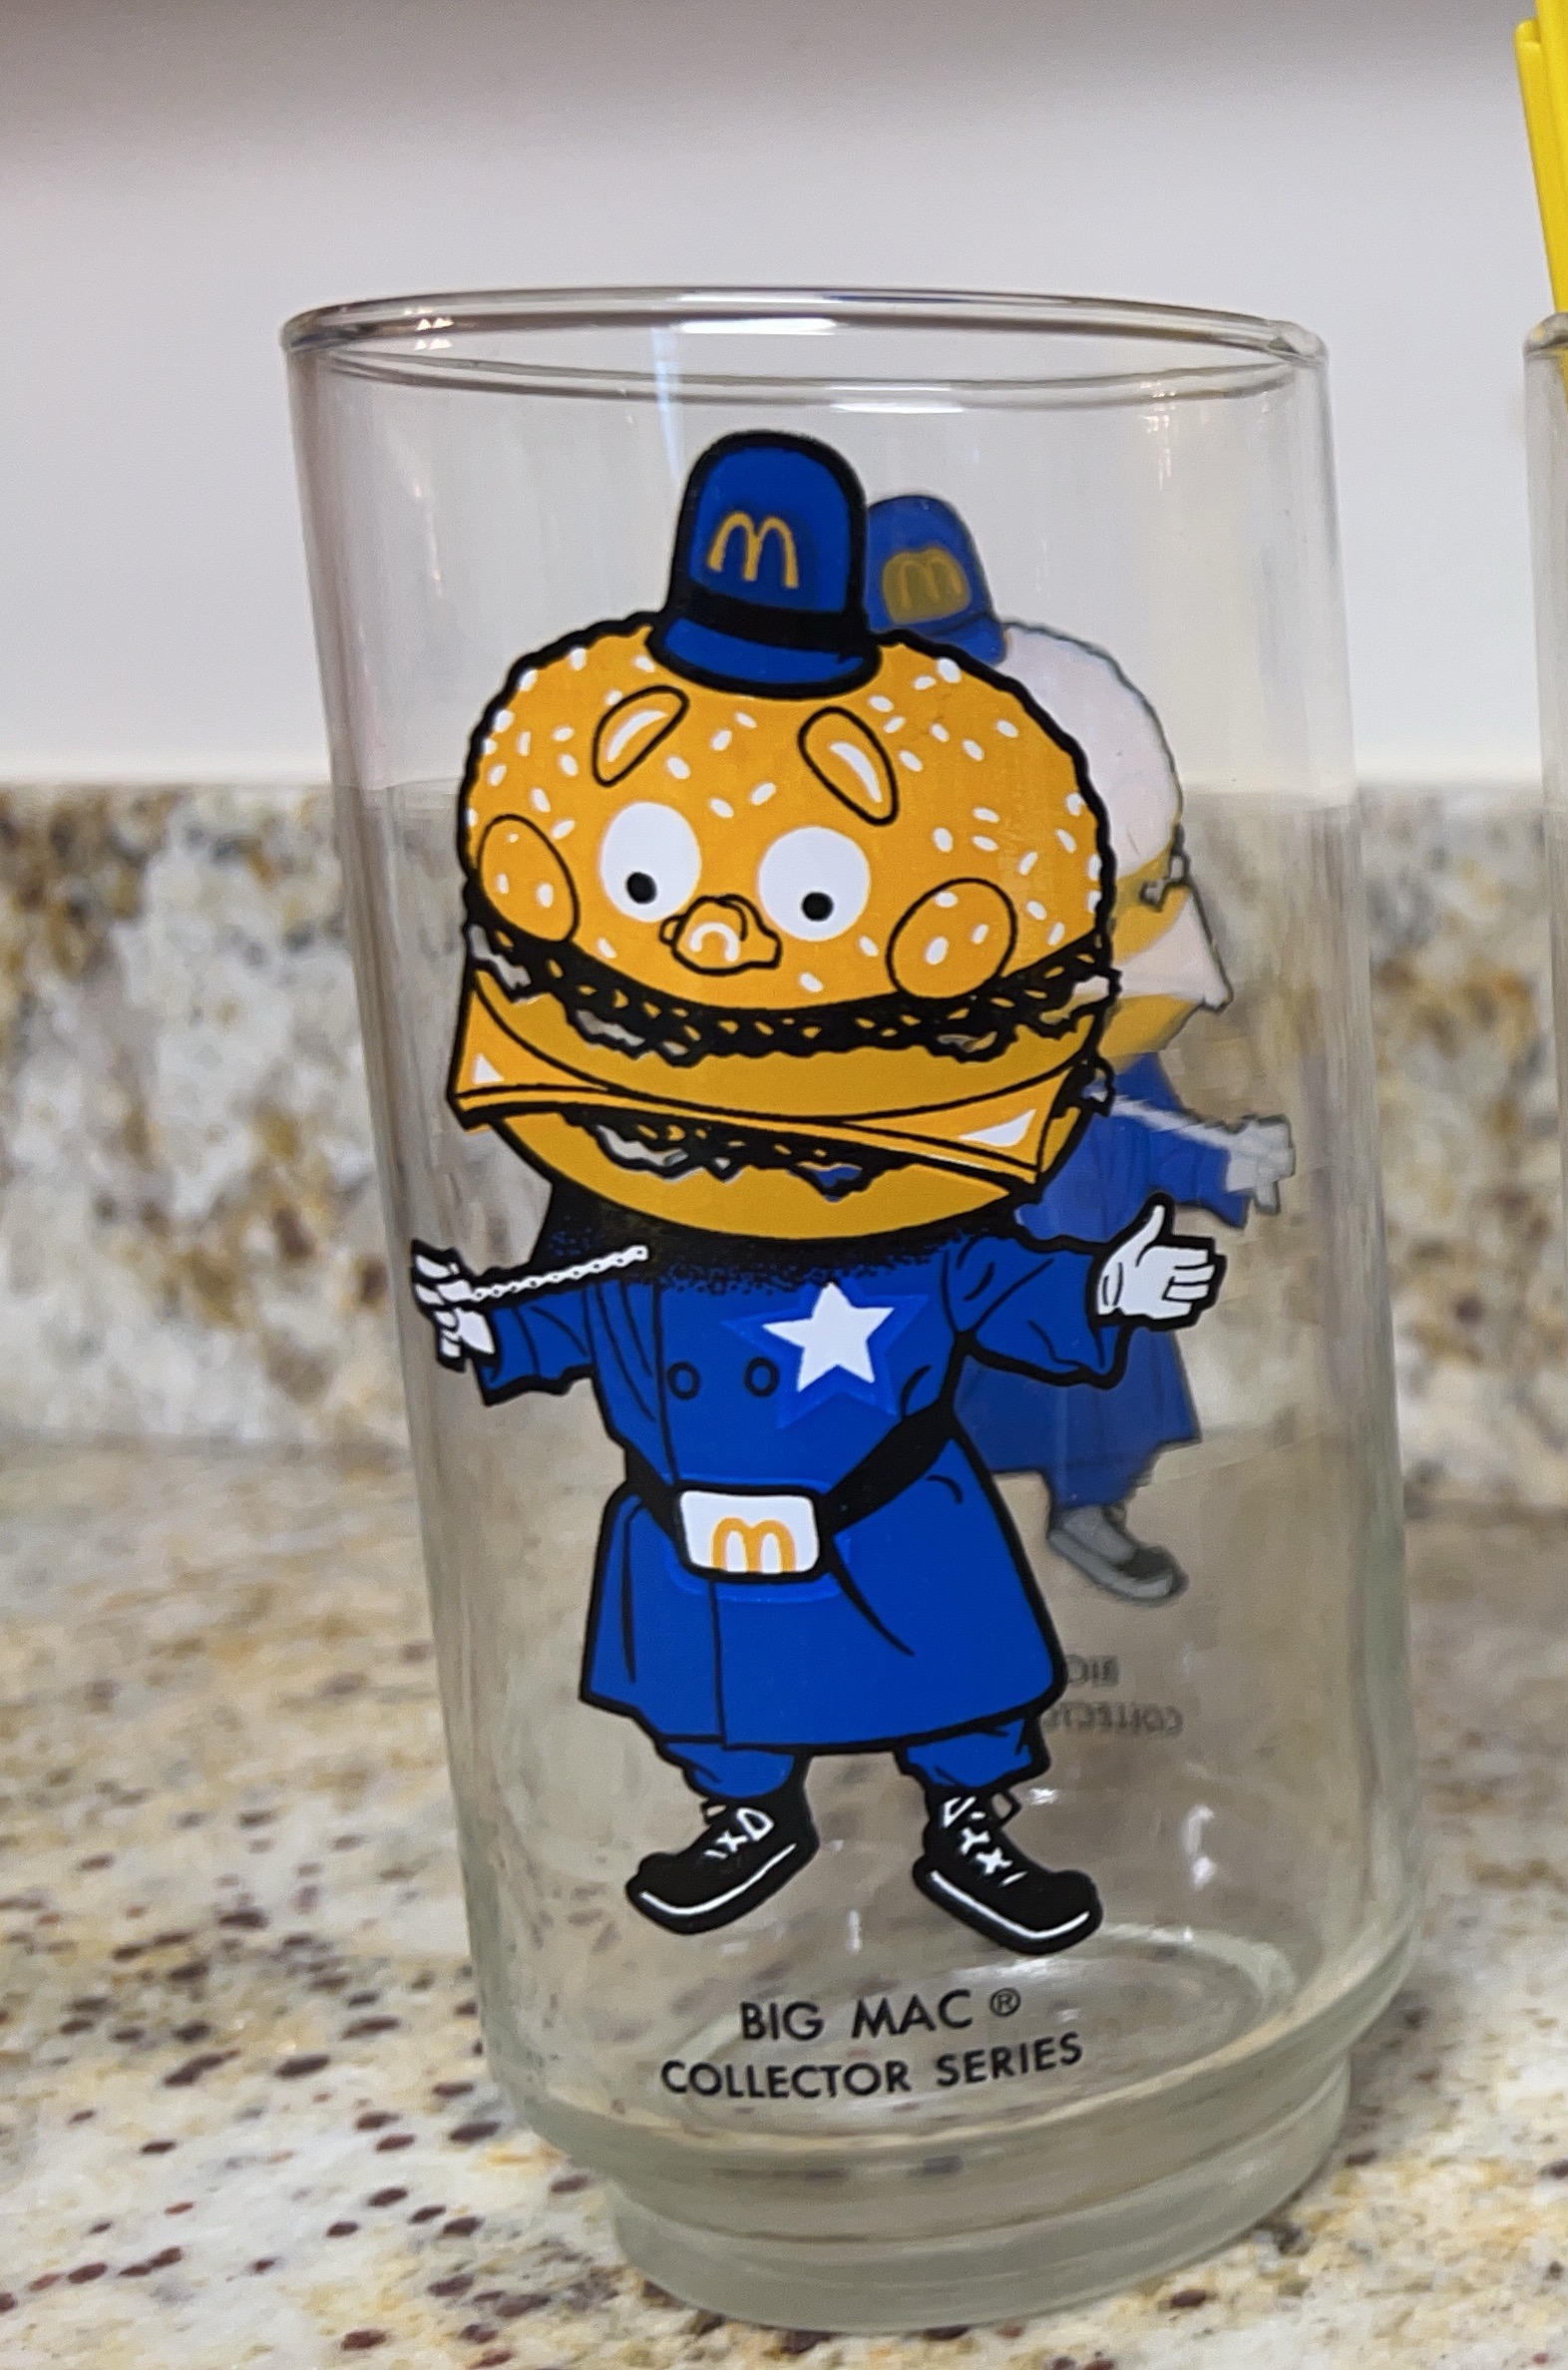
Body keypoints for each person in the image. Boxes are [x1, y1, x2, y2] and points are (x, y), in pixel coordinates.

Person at [411, 433, 1227, 1951]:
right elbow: (574, 1312)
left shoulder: (924, 1192)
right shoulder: (620, 1218)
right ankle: (747, 1815)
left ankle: (973, 1826)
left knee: (958, 1673)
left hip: (889, 1501)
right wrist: (487, 1326)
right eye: (653, 892)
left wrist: (1106, 1288)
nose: (717, 944)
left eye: (801, 901)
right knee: (713, 1693)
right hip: (696, 1522)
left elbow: (988, 1283)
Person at [866, 495, 1294, 1603]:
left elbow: (1144, 1134)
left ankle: (1089, 1507)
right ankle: (925, 1537)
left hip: (1089, 1268)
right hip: (934, 1263)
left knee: (1102, 1377)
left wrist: (1230, 1162)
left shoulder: (1106, 1057)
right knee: (917, 1384)